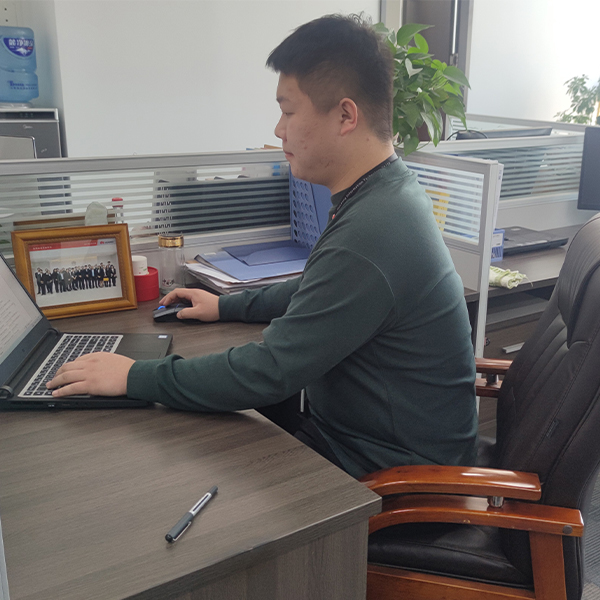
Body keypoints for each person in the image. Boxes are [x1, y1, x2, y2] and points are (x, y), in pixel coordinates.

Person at [47, 14, 477, 479]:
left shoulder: (374, 230)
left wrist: (132, 376)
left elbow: (269, 371)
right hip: (362, 442)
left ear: (346, 116)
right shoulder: (385, 193)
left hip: (396, 480)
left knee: (177, 466)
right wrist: (226, 305)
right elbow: (318, 288)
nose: (278, 129)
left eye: (288, 112)